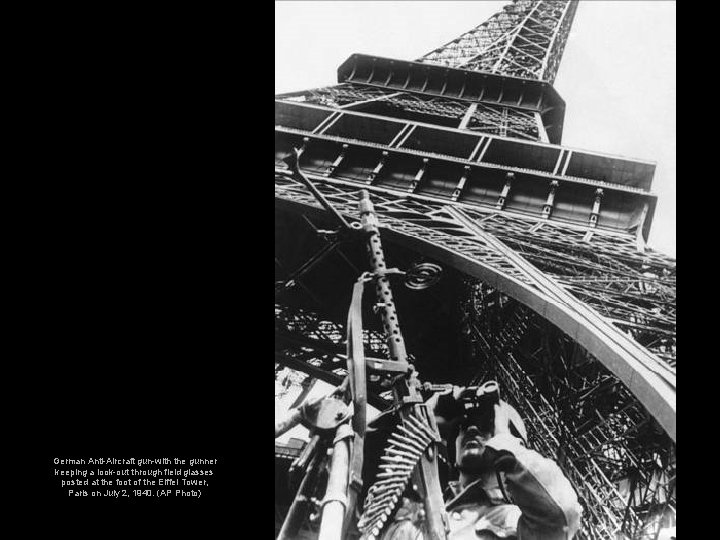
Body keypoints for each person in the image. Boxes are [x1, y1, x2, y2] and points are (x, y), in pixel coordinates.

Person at [379, 381, 582, 540]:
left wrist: (503, 436)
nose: (473, 430)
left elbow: (560, 516)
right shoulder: (412, 518)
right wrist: (420, 418)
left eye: (486, 425)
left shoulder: (513, 520)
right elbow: (359, 473)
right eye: (463, 425)